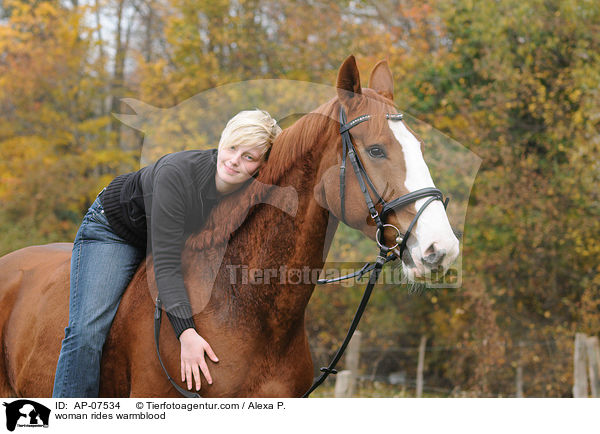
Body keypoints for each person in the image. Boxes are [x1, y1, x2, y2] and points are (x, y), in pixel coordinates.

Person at [52, 109, 282, 397]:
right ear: (222, 141)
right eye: (232, 148)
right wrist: (186, 333)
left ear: (262, 165)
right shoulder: (178, 175)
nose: (234, 161)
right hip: (116, 231)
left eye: (248, 157)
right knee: (87, 332)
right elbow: (166, 264)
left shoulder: (252, 192)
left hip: (171, 242)